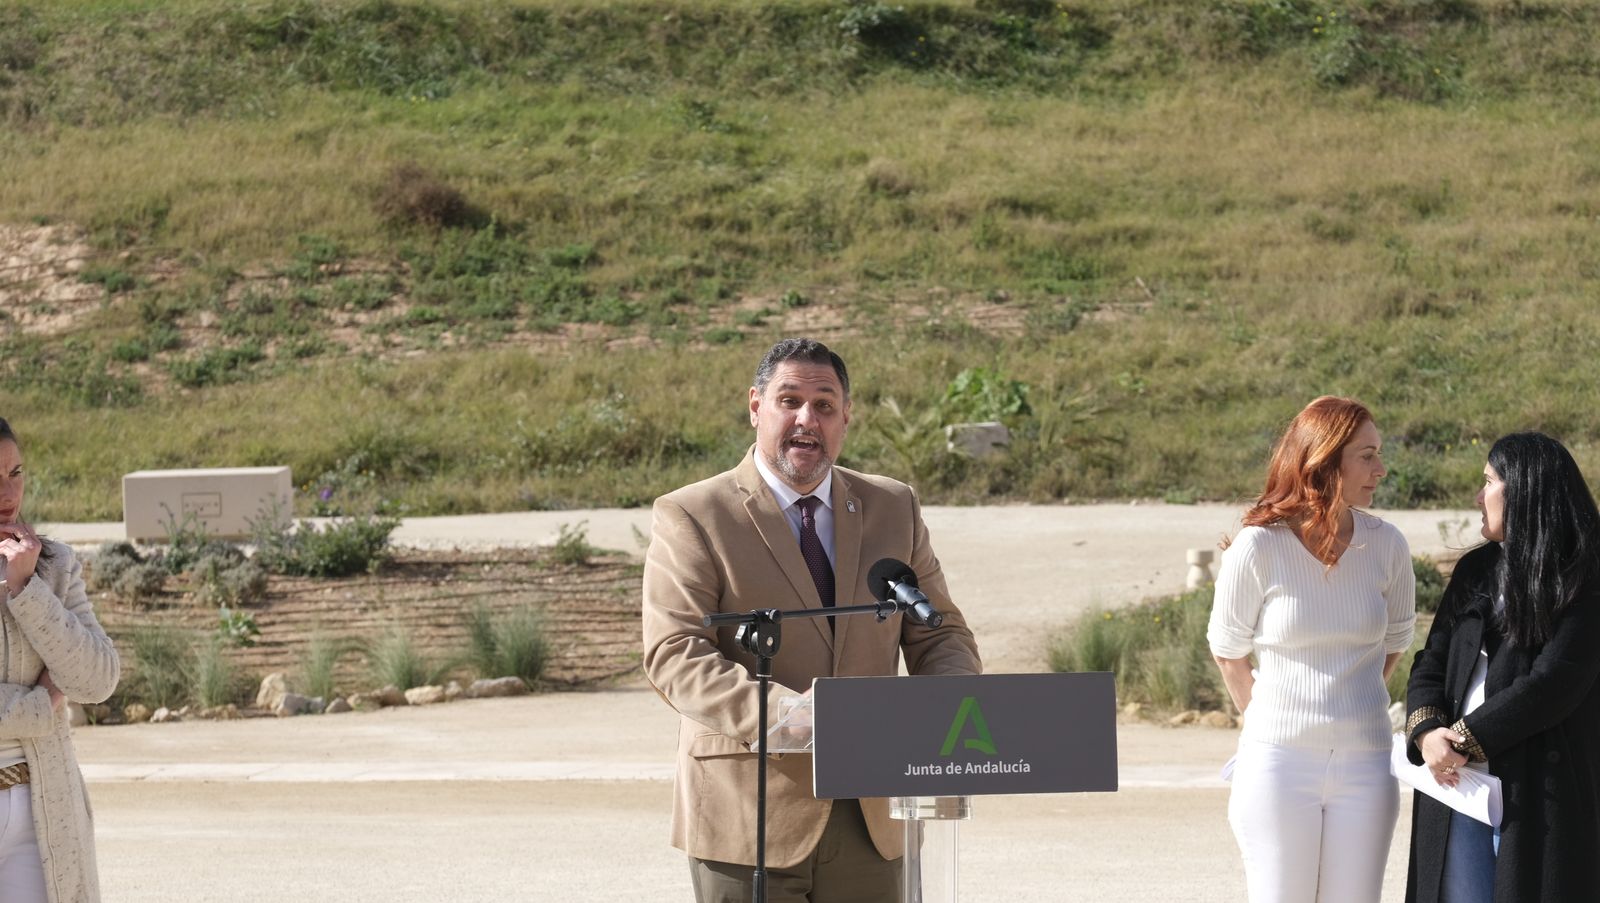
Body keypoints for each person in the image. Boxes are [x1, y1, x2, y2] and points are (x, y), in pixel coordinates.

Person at [642, 337, 982, 903]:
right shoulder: (693, 514)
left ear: (845, 417)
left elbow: (939, 632)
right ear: (756, 406)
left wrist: (948, 709)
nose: (807, 419)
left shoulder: (894, 506)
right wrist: (791, 718)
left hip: (877, 815)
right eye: (789, 400)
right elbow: (675, 652)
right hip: (749, 814)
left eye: (824, 405)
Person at [1206, 396, 1416, 902]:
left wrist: (1350, 703)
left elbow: (1396, 642)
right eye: (1367, 455)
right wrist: (1271, 721)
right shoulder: (1258, 546)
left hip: (1367, 765)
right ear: (1325, 459)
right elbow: (1228, 651)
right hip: (1277, 767)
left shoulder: (1388, 544)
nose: (1381, 469)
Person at [1403, 432, 1600, 903]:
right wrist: (1427, 733)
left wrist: (1463, 740)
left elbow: (1552, 684)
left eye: (1489, 482)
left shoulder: (1583, 577)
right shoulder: (1474, 571)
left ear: (1526, 490)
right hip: (1458, 786)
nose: (1478, 496)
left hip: (1537, 793)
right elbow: (1430, 662)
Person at [0, 417, 121, 903]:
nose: (8, 492)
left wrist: (27, 588)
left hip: (44, 810)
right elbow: (57, 693)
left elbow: (96, 680)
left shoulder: (53, 565)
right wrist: (41, 704)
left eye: (15, 472)